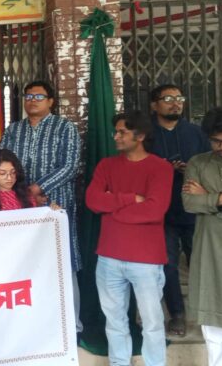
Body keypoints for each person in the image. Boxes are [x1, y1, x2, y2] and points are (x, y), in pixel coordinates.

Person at [85, 111, 173, 366]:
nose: (116, 136)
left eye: (122, 132)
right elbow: (92, 200)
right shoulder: (106, 165)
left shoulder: (160, 168)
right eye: (116, 132)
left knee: (152, 322)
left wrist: (112, 209)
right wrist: (129, 199)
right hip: (108, 258)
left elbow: (154, 210)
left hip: (146, 260)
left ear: (140, 136)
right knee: (114, 321)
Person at [0, 80, 82, 332]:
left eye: (38, 96)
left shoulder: (65, 128)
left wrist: (37, 189)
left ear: (51, 101)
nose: (32, 101)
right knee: (26, 262)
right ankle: (34, 325)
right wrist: (24, 195)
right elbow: (1, 163)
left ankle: (71, 325)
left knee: (62, 260)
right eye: (28, 96)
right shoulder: (14, 130)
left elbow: (70, 166)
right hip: (20, 207)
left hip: (55, 205)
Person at [147, 84, 210, 336]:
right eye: (168, 99)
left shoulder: (196, 133)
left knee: (202, 264)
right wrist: (164, 169)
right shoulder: (146, 135)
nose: (176, 103)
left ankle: (208, 313)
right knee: (168, 267)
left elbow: (210, 166)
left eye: (179, 98)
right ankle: (177, 315)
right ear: (154, 105)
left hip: (195, 211)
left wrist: (192, 172)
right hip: (162, 214)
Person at [182, 105, 222, 366]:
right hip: (211, 249)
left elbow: (200, 202)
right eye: (216, 141)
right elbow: (189, 203)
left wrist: (210, 198)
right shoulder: (198, 163)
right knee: (214, 320)